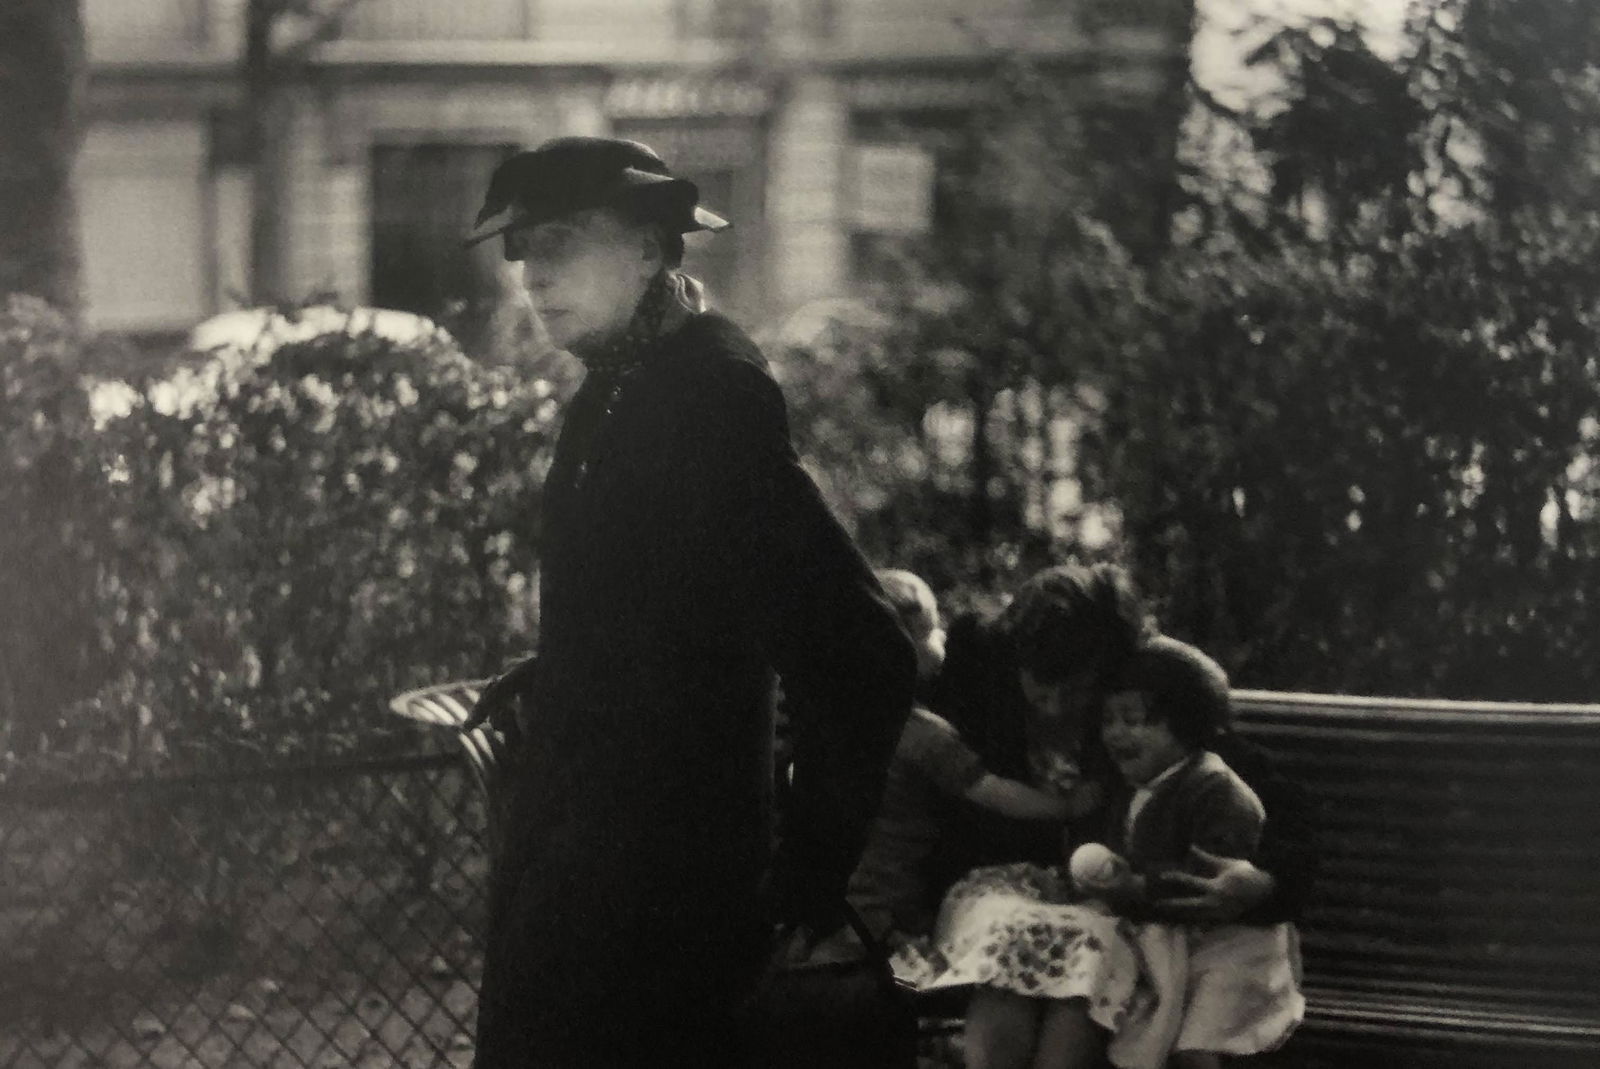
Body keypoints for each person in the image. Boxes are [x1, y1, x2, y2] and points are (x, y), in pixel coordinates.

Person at [458, 136, 917, 1069]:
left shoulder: (710, 397)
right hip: (581, 858)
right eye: (524, 250)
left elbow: (862, 651)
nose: (536, 275)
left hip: (668, 891)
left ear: (651, 250)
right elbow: (679, 593)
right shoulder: (614, 387)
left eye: (565, 242)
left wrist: (806, 875)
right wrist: (569, 664)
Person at [915, 562, 1316, 1069]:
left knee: (1093, 952)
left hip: (1099, 912)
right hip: (1000, 889)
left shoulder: (1144, 707)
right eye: (1040, 687)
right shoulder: (980, 672)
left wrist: (1265, 884)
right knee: (1019, 944)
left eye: (1078, 689)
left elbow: (1275, 805)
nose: (1057, 706)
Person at [808, 570, 1079, 959]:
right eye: (931, 630)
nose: (944, 638)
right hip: (893, 907)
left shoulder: (830, 723)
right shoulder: (926, 735)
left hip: (837, 902)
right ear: (898, 648)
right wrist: (1065, 806)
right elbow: (994, 792)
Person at [1070, 637, 1303, 1069]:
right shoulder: (1134, 786)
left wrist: (1133, 886)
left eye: (1134, 720)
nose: (1116, 732)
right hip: (1174, 940)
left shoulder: (1216, 788)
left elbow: (1202, 879)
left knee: (1196, 1049)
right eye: (1108, 720)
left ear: (1187, 725)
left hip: (1235, 945)